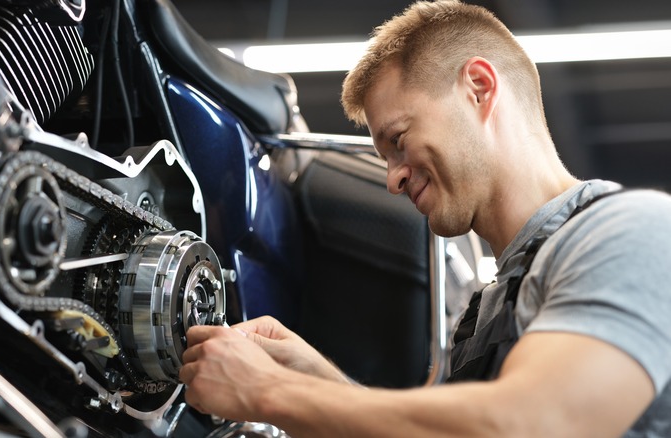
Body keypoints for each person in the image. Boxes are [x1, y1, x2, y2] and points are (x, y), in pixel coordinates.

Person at [179, 1, 671, 436]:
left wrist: (270, 391)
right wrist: (314, 379)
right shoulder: (487, 314)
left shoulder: (631, 231)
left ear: (478, 87)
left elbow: (527, 425)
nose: (392, 180)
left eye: (398, 140)